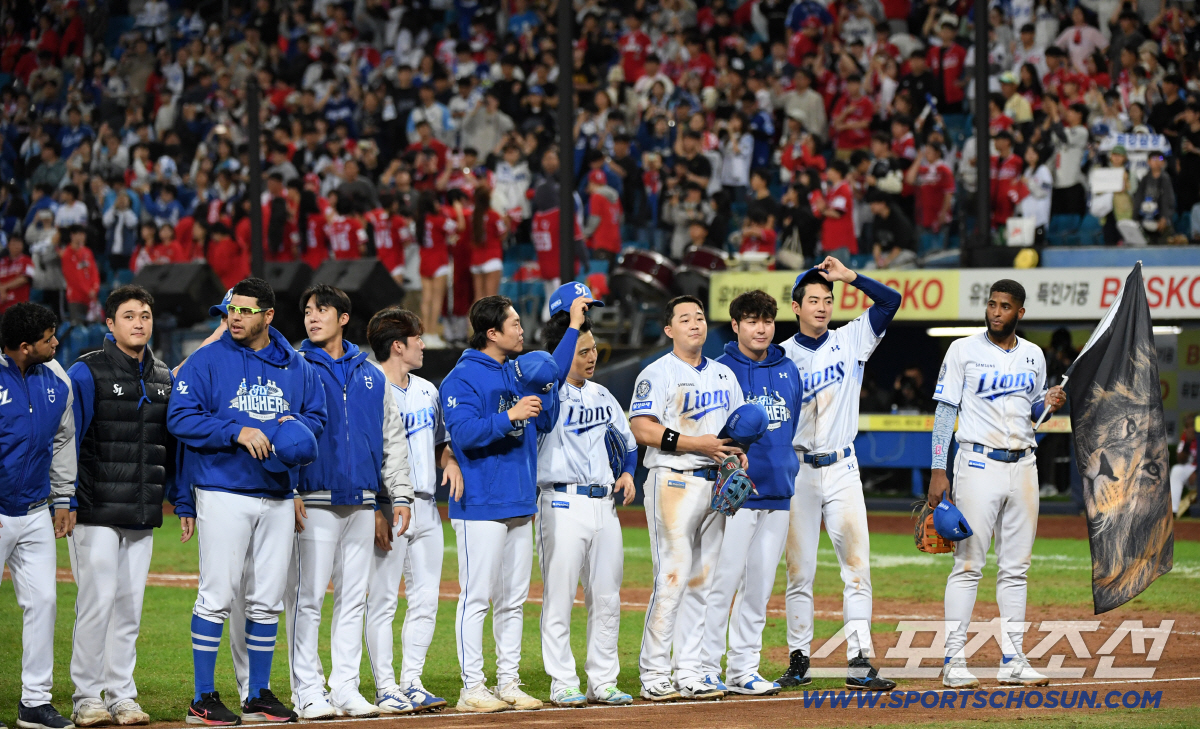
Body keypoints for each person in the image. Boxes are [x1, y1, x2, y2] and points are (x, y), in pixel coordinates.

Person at [167, 277, 328, 725]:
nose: (234, 317)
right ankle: (202, 696)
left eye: (244, 310)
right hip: (222, 489)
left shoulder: (296, 366)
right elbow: (180, 417)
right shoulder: (207, 360)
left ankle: (257, 693)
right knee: (216, 595)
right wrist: (235, 431)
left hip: (277, 493)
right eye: (230, 310)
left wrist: (291, 429)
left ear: (268, 315)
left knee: (266, 600)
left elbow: (317, 417)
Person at [929, 280, 1066, 689]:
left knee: (1016, 569)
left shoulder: (1033, 355)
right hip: (976, 463)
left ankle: (1014, 660)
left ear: (1019, 313)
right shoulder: (963, 350)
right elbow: (944, 411)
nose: (995, 312)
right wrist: (939, 468)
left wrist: (1049, 403)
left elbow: (1033, 413)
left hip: (1024, 466)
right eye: (991, 304)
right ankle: (953, 659)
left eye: (1005, 306)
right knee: (969, 564)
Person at [286, 285, 415, 719]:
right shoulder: (295, 366)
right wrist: (292, 489)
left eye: (322, 310)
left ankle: (344, 687)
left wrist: (398, 494)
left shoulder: (371, 375)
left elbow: (391, 439)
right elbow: (283, 431)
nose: (312, 317)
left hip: (360, 501)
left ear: (344, 317)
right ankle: (306, 689)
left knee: (352, 598)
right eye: (307, 311)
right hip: (314, 499)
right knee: (307, 600)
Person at [775, 259, 901, 692]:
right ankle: (798, 659)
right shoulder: (781, 357)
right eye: (813, 300)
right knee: (800, 571)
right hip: (800, 472)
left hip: (844, 468)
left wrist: (850, 277)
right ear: (795, 306)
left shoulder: (852, 339)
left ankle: (859, 660)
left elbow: (891, 300)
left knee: (856, 569)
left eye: (828, 300)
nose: (823, 307)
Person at [438, 295, 557, 713]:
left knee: (513, 601)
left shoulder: (518, 372)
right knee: (477, 598)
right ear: (492, 332)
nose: (522, 330)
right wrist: (510, 416)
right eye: (515, 323)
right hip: (480, 502)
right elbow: (465, 435)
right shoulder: (461, 378)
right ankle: (472, 687)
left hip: (520, 498)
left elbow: (545, 421)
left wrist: (547, 385)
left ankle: (508, 681)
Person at [629, 295, 747, 701]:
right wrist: (697, 443)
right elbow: (642, 428)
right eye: (685, 319)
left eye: (699, 317)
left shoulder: (724, 376)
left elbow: (734, 431)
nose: (695, 324)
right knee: (674, 577)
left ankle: (689, 670)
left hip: (714, 485)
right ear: (669, 330)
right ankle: (654, 672)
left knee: (702, 581)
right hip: (672, 482)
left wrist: (738, 455)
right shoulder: (656, 373)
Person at [66, 286, 174, 728]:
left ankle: (122, 695)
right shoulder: (85, 371)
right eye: (129, 315)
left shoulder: (163, 375)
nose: (139, 322)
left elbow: (168, 445)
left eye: (145, 315)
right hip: (94, 509)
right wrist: (67, 498)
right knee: (96, 603)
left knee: (129, 608)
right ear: (109, 324)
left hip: (141, 510)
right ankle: (86, 696)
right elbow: (67, 441)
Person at [536, 286, 637, 708]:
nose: (592, 357)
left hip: (603, 506)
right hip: (561, 502)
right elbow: (552, 375)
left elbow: (629, 443)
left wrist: (629, 472)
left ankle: (603, 680)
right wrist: (570, 332)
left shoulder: (602, 394)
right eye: (582, 351)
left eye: (594, 349)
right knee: (559, 597)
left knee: (607, 598)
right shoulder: (544, 390)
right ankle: (562, 681)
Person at [702, 290, 801, 695]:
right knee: (722, 584)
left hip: (778, 491)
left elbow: (790, 425)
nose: (761, 328)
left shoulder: (788, 369)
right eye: (752, 321)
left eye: (767, 321)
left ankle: (743, 670)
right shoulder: (720, 369)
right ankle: (705, 667)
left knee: (758, 588)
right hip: (738, 494)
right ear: (737, 325)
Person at [364, 307, 461, 713]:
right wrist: (374, 508)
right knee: (383, 600)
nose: (424, 343)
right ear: (398, 345)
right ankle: (386, 686)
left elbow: (440, 443)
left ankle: (412, 681)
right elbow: (366, 453)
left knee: (425, 599)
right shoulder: (368, 386)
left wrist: (450, 462)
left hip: (425, 506)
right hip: (388, 506)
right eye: (418, 337)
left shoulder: (427, 390)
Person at [0, 302, 77, 729]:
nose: (57, 342)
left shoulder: (58, 380)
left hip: (34, 511)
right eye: (49, 338)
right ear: (26, 346)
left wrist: (63, 498)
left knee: (44, 603)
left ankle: (34, 701)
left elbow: (63, 442)